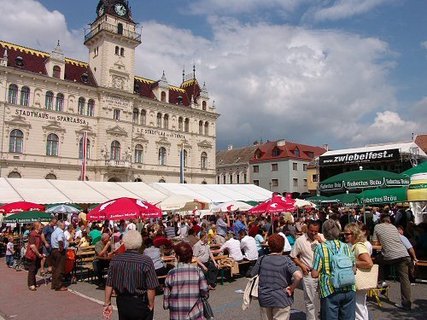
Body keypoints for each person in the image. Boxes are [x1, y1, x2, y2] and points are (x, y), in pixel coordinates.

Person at [104, 230, 159, 320]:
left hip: (122, 301)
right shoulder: (145, 261)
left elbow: (109, 283)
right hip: (140, 301)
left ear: (124, 243)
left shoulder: (115, 260)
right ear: (140, 243)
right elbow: (151, 286)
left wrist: (107, 303)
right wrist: (151, 304)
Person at [249, 234, 302, 320]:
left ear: (269, 246)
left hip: (265, 297)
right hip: (282, 298)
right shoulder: (286, 260)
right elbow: (298, 276)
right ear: (283, 246)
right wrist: (292, 288)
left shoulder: (262, 259)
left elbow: (252, 274)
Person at [311, 219, 356, 320]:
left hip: (330, 289)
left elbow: (314, 274)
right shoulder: (346, 247)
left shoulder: (321, 248)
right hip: (349, 287)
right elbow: (354, 268)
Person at [372, 214, 412, 310]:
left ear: (381, 220)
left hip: (390, 255)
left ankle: (382, 281)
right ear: (389, 221)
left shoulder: (377, 227)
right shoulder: (394, 227)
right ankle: (406, 304)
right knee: (405, 279)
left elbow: (374, 242)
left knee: (376, 260)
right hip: (404, 254)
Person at [163, 242, 209, 320]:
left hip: (177, 315)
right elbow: (205, 291)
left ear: (177, 256)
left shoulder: (171, 273)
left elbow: (166, 302)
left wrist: (167, 304)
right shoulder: (197, 271)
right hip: (195, 314)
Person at [290, 220, 325, 320]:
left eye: (316, 231)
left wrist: (321, 242)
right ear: (307, 229)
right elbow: (293, 256)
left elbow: (330, 252)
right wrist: (302, 265)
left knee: (325, 299)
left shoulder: (322, 237)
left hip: (323, 273)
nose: (313, 233)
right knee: (309, 301)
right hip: (309, 273)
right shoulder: (300, 240)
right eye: (311, 231)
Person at [344, 223, 373, 320]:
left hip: (359, 280)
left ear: (354, 234)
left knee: (358, 308)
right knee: (360, 308)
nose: (345, 236)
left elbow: (369, 263)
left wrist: (352, 262)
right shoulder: (355, 246)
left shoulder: (358, 247)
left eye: (347, 234)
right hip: (358, 281)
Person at [25, 222, 44, 291]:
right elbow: (32, 246)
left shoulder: (39, 234)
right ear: (36, 227)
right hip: (32, 255)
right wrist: (38, 254)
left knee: (35, 268)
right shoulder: (33, 234)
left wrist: (41, 253)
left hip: (37, 254)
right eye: (40, 226)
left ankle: (33, 282)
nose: (42, 227)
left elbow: (40, 245)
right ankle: (31, 284)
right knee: (32, 269)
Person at [50, 221, 68, 291]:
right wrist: (61, 249)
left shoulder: (54, 232)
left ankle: (54, 284)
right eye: (63, 225)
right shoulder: (60, 232)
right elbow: (60, 240)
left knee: (54, 268)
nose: (64, 226)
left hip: (54, 250)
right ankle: (58, 286)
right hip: (59, 252)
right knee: (60, 269)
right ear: (60, 225)